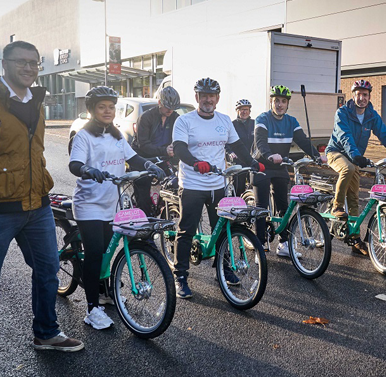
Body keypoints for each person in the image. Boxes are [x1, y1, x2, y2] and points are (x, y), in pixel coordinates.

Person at [0, 41, 83, 351]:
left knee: (48, 270)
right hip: (2, 207)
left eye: (34, 63)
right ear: (4, 63)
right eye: (21, 61)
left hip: (38, 204)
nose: (28, 67)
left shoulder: (36, 99)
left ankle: (47, 332)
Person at [69, 86, 165, 330]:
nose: (107, 111)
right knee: (95, 254)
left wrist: (150, 165)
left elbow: (133, 158)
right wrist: (86, 169)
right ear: (92, 110)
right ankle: (92, 310)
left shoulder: (117, 136)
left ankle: (104, 293)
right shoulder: (83, 136)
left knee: (108, 254)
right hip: (89, 205)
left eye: (111, 107)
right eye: (102, 107)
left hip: (112, 204)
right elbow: (75, 164)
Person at [172, 78, 263, 298]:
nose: (208, 100)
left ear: (218, 98)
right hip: (193, 184)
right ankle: (180, 275)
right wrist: (195, 162)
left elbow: (237, 145)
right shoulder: (184, 121)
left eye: (212, 96)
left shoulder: (223, 120)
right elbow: (179, 149)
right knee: (186, 230)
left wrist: (251, 161)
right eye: (203, 96)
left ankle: (223, 268)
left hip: (218, 184)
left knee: (221, 230)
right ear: (197, 98)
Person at [325, 80, 386, 255]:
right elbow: (345, 136)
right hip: (336, 153)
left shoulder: (372, 115)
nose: (361, 98)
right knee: (348, 168)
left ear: (370, 96)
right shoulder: (343, 112)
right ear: (353, 95)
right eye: (358, 94)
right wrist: (356, 155)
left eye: (365, 94)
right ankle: (337, 206)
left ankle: (355, 238)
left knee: (355, 199)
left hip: (355, 157)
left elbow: (385, 137)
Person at [253, 85, 325, 257]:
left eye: (283, 101)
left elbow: (303, 140)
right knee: (261, 208)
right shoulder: (262, 118)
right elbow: (260, 142)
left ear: (287, 104)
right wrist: (270, 155)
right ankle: (260, 246)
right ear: (271, 101)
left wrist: (317, 155)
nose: (279, 104)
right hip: (262, 166)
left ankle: (284, 243)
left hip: (280, 166)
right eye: (276, 100)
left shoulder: (291, 121)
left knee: (284, 206)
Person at [132, 86, 181, 216]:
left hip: (162, 157)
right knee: (143, 196)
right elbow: (143, 145)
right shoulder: (146, 117)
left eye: (173, 107)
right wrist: (165, 150)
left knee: (175, 182)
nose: (170, 110)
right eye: (167, 107)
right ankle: (145, 217)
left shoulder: (175, 117)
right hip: (143, 158)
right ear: (159, 103)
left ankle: (164, 208)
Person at [227, 99, 255, 196]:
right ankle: (238, 205)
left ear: (249, 111)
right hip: (238, 160)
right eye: (241, 109)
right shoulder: (232, 125)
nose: (244, 112)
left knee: (255, 184)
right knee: (239, 186)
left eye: (246, 109)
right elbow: (227, 142)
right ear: (237, 111)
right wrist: (230, 152)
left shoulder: (254, 124)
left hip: (252, 159)